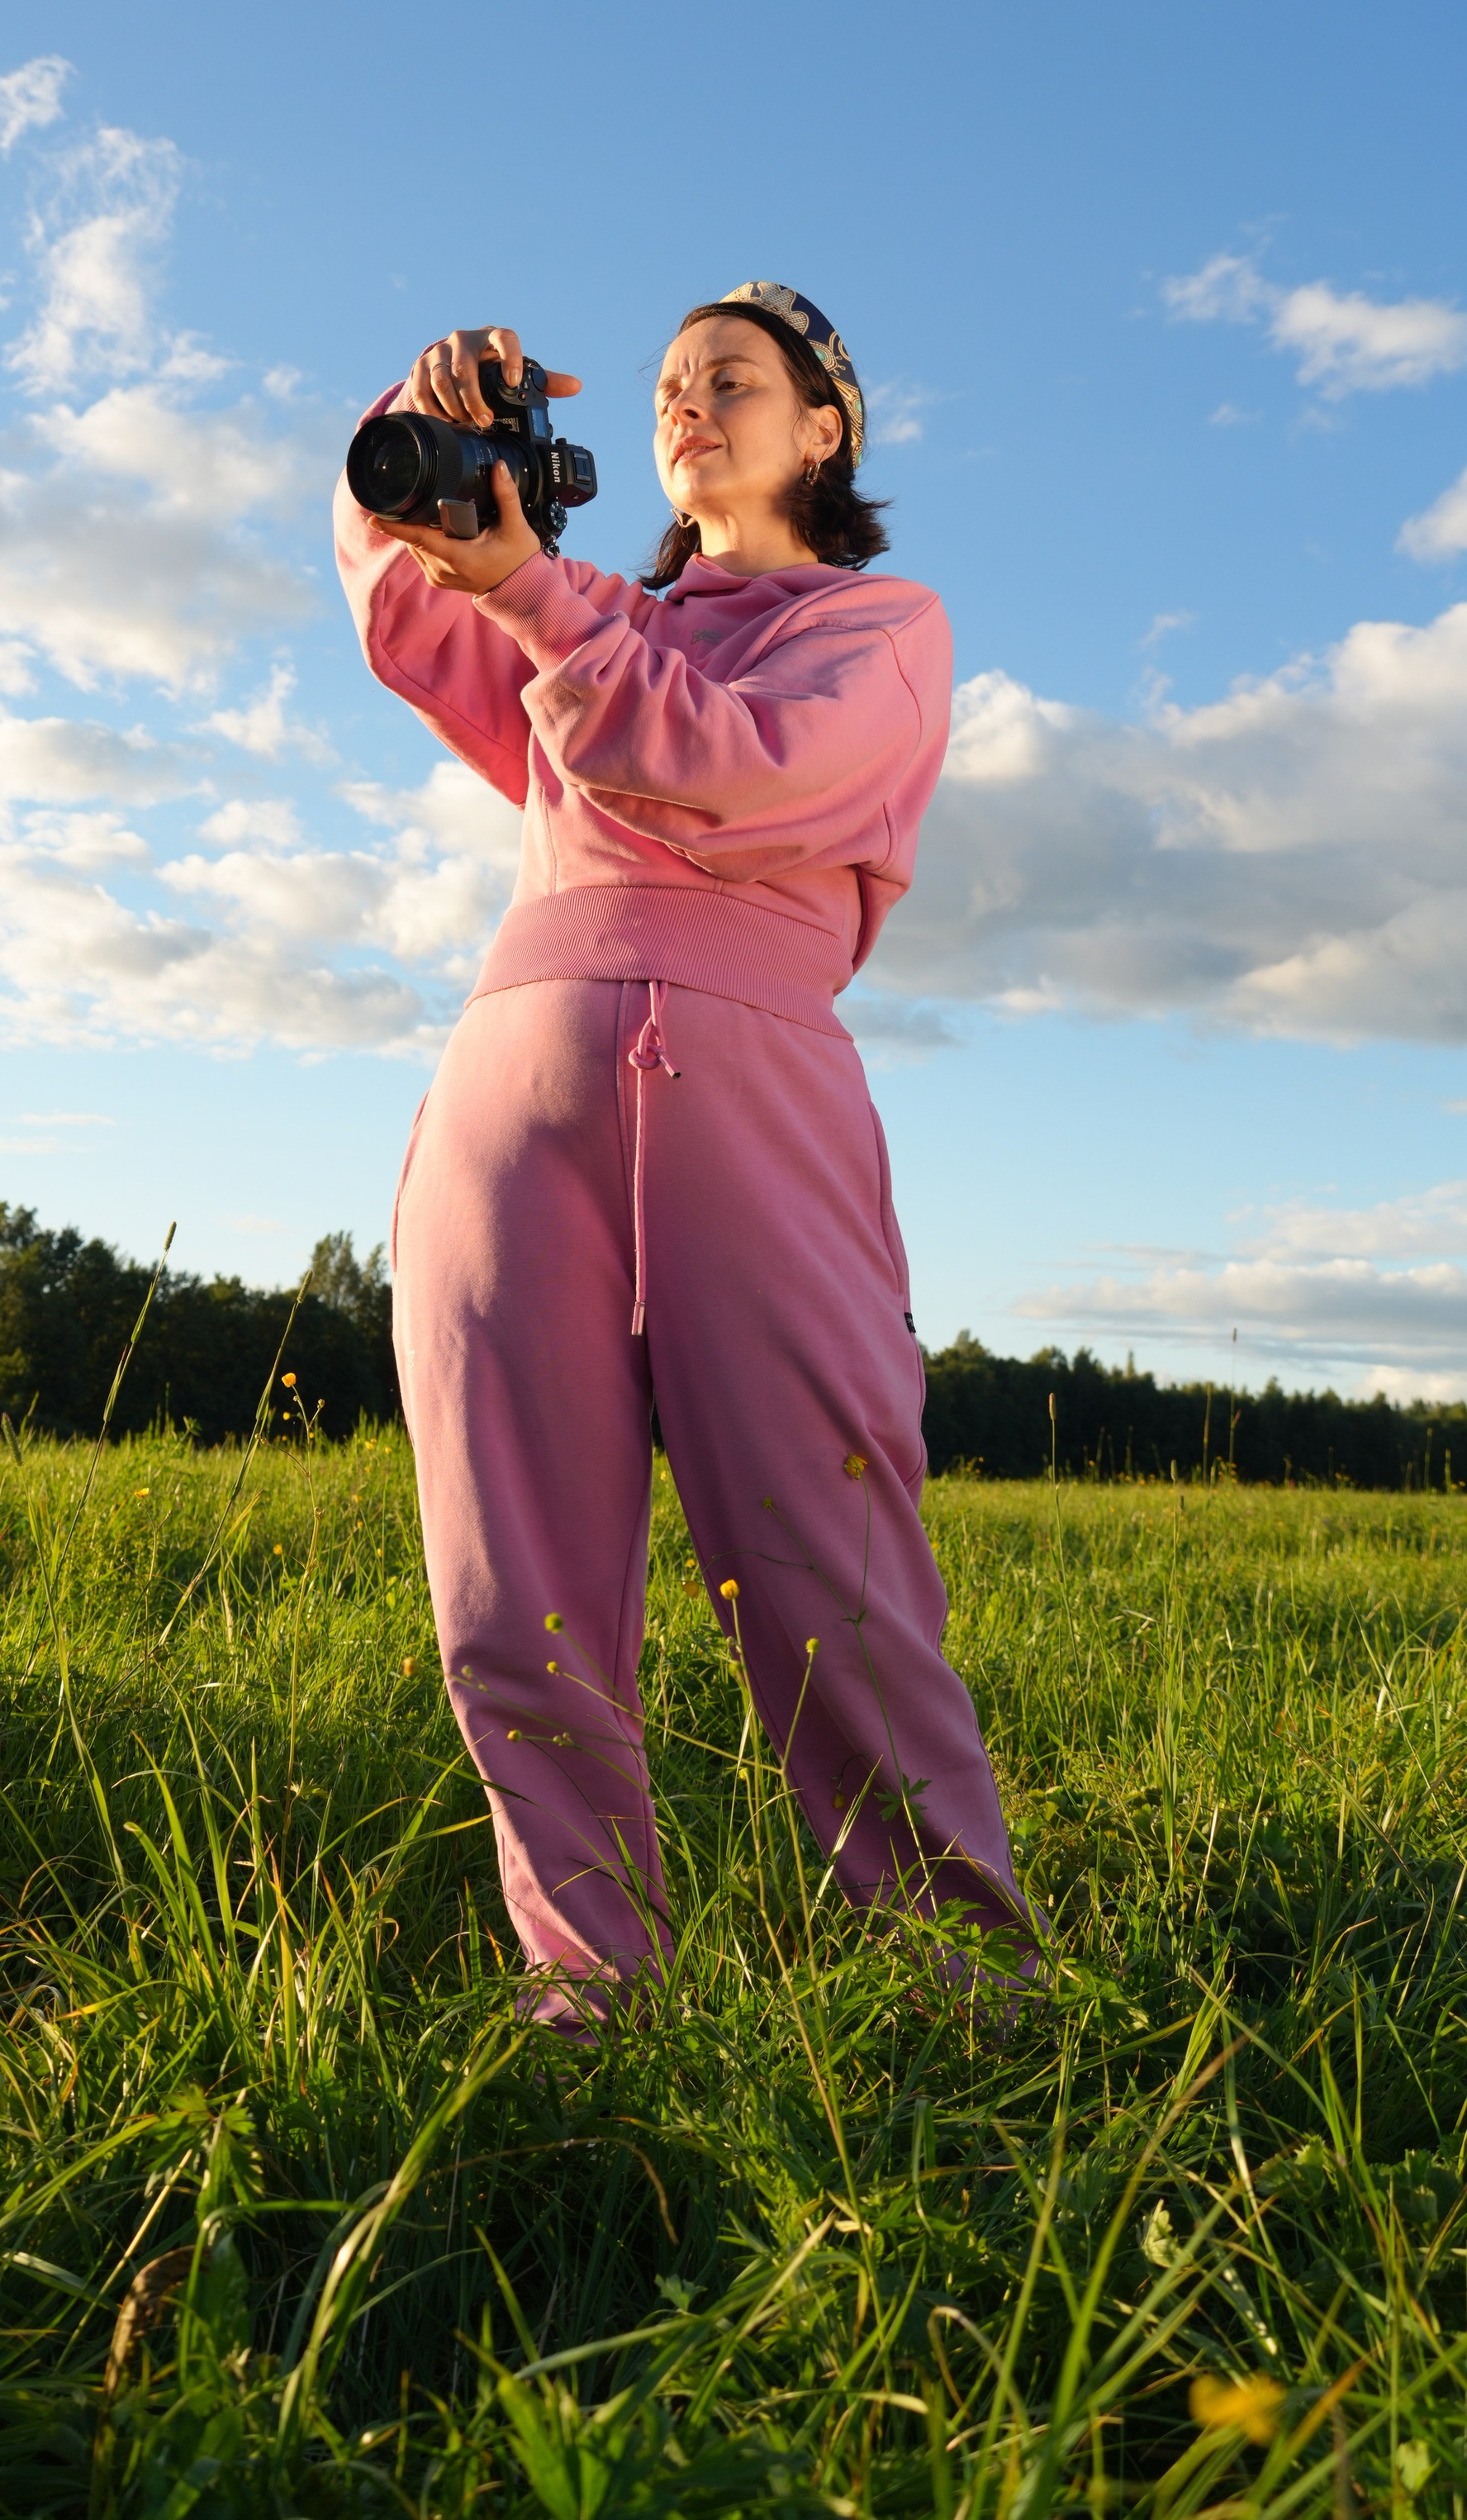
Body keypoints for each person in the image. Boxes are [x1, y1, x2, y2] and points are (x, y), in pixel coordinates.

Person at [334, 284, 1035, 2032]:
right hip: (512, 1085)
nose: (688, 404)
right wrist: (429, 428)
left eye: (733, 380)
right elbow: (408, 608)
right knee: (513, 1582)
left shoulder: (876, 626)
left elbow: (720, 768)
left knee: (822, 1562)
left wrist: (542, 600)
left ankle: (964, 1988)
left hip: (746, 1089)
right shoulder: (587, 612)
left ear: (822, 431)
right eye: (665, 386)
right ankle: (592, 1996)